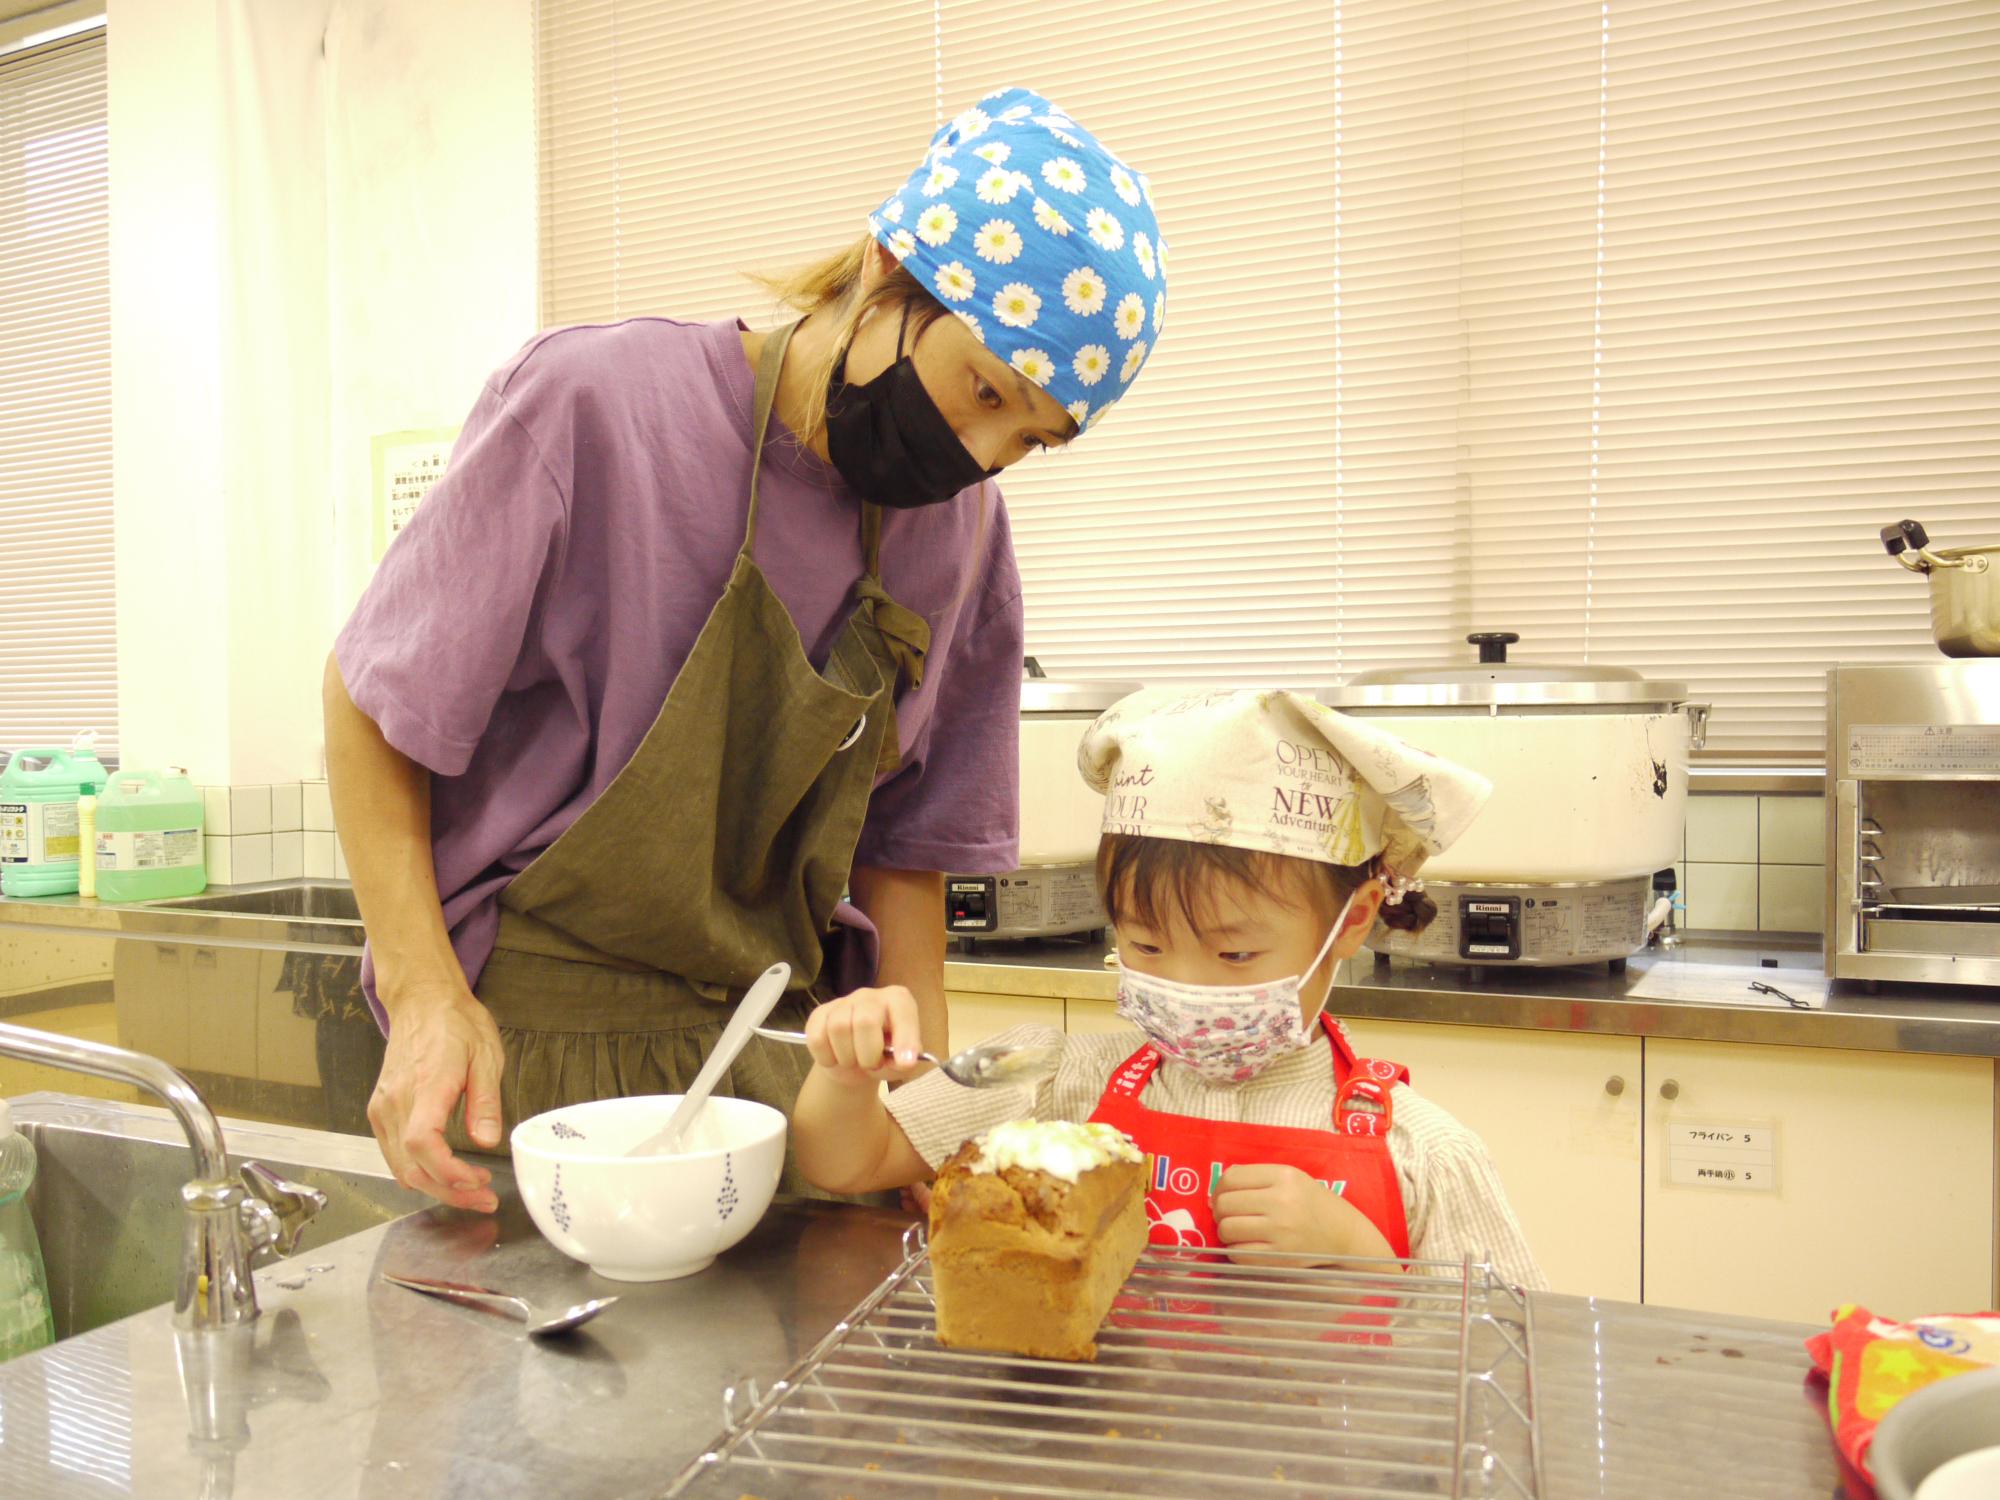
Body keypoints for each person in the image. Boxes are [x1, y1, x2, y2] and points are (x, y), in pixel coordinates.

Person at [323, 87, 1170, 1209]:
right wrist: (427, 991)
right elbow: (372, 703)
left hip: (778, 1075)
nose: (977, 455)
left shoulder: (960, 536)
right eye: (981, 391)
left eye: (1027, 439)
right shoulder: (594, 407)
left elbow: (906, 845)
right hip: (533, 1062)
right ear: (885, 268)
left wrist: (921, 1117)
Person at [791, 688, 1546, 1286]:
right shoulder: (1054, 1079)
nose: (1183, 984)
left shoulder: (1424, 1152)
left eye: (1237, 954)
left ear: (1351, 922)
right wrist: (846, 1073)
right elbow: (847, 1162)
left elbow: (1510, 1354)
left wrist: (1361, 1259)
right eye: (1145, 943)